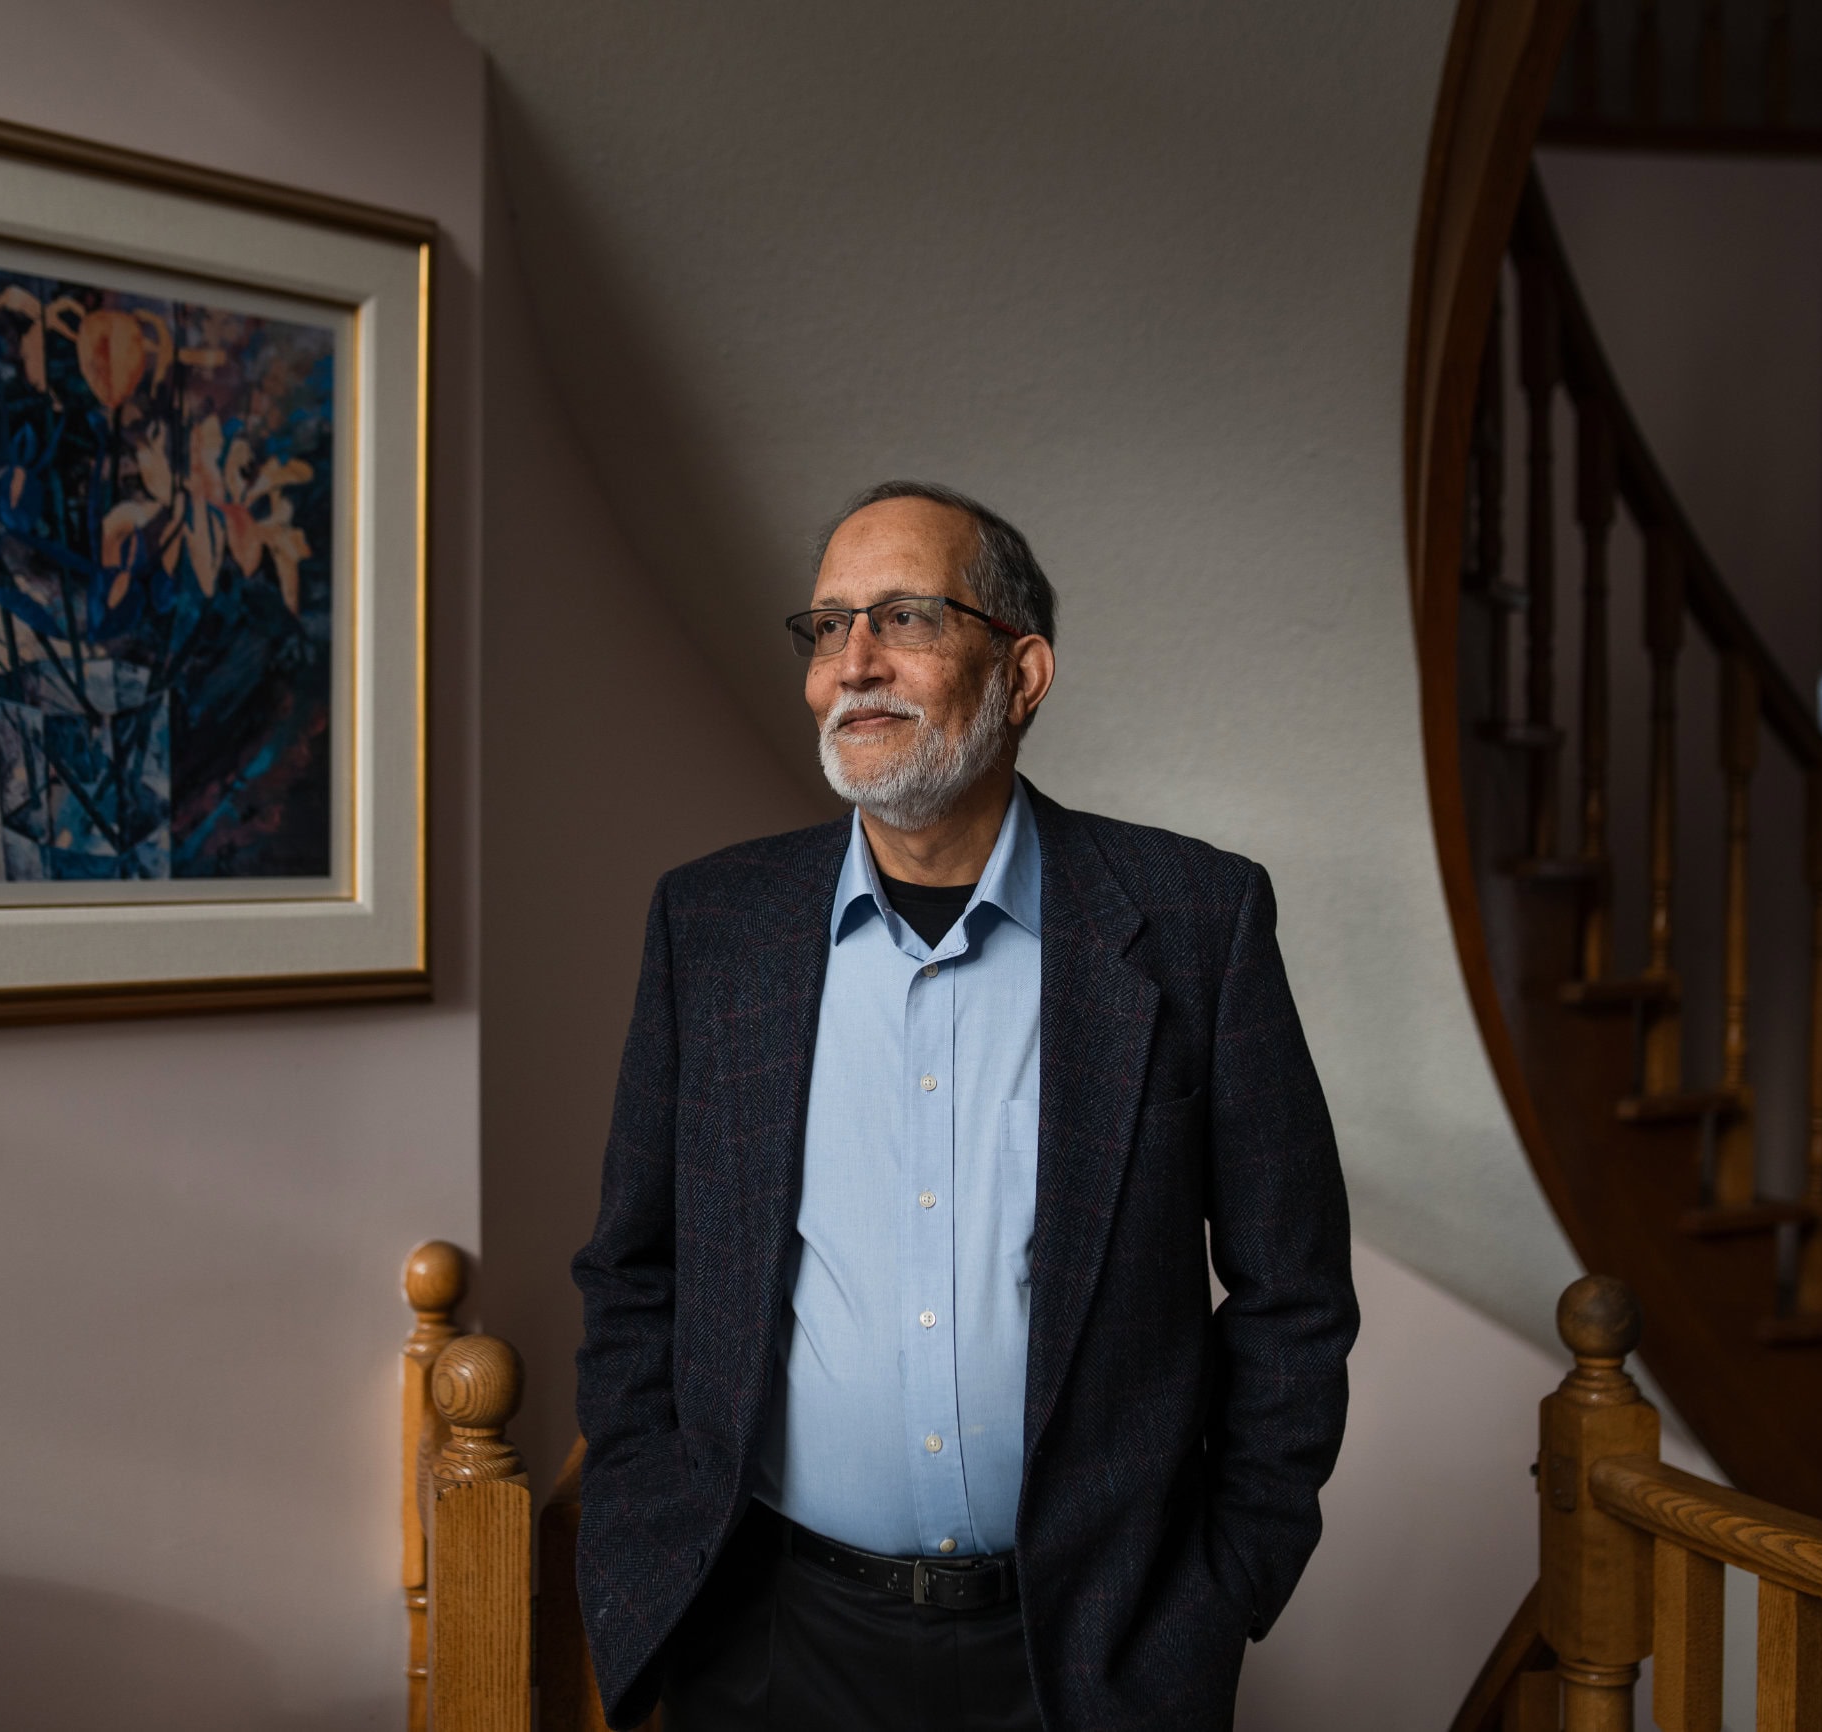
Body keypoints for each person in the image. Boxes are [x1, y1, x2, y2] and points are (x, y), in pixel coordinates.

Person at [573, 481, 1357, 1732]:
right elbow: (633, 1269)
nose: (855, 665)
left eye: (903, 618)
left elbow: (1295, 1295)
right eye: (827, 627)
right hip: (771, 1643)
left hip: (1089, 1653)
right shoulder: (711, 928)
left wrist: (1223, 1584)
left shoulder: (1196, 925)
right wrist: (639, 1528)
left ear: (1022, 670)